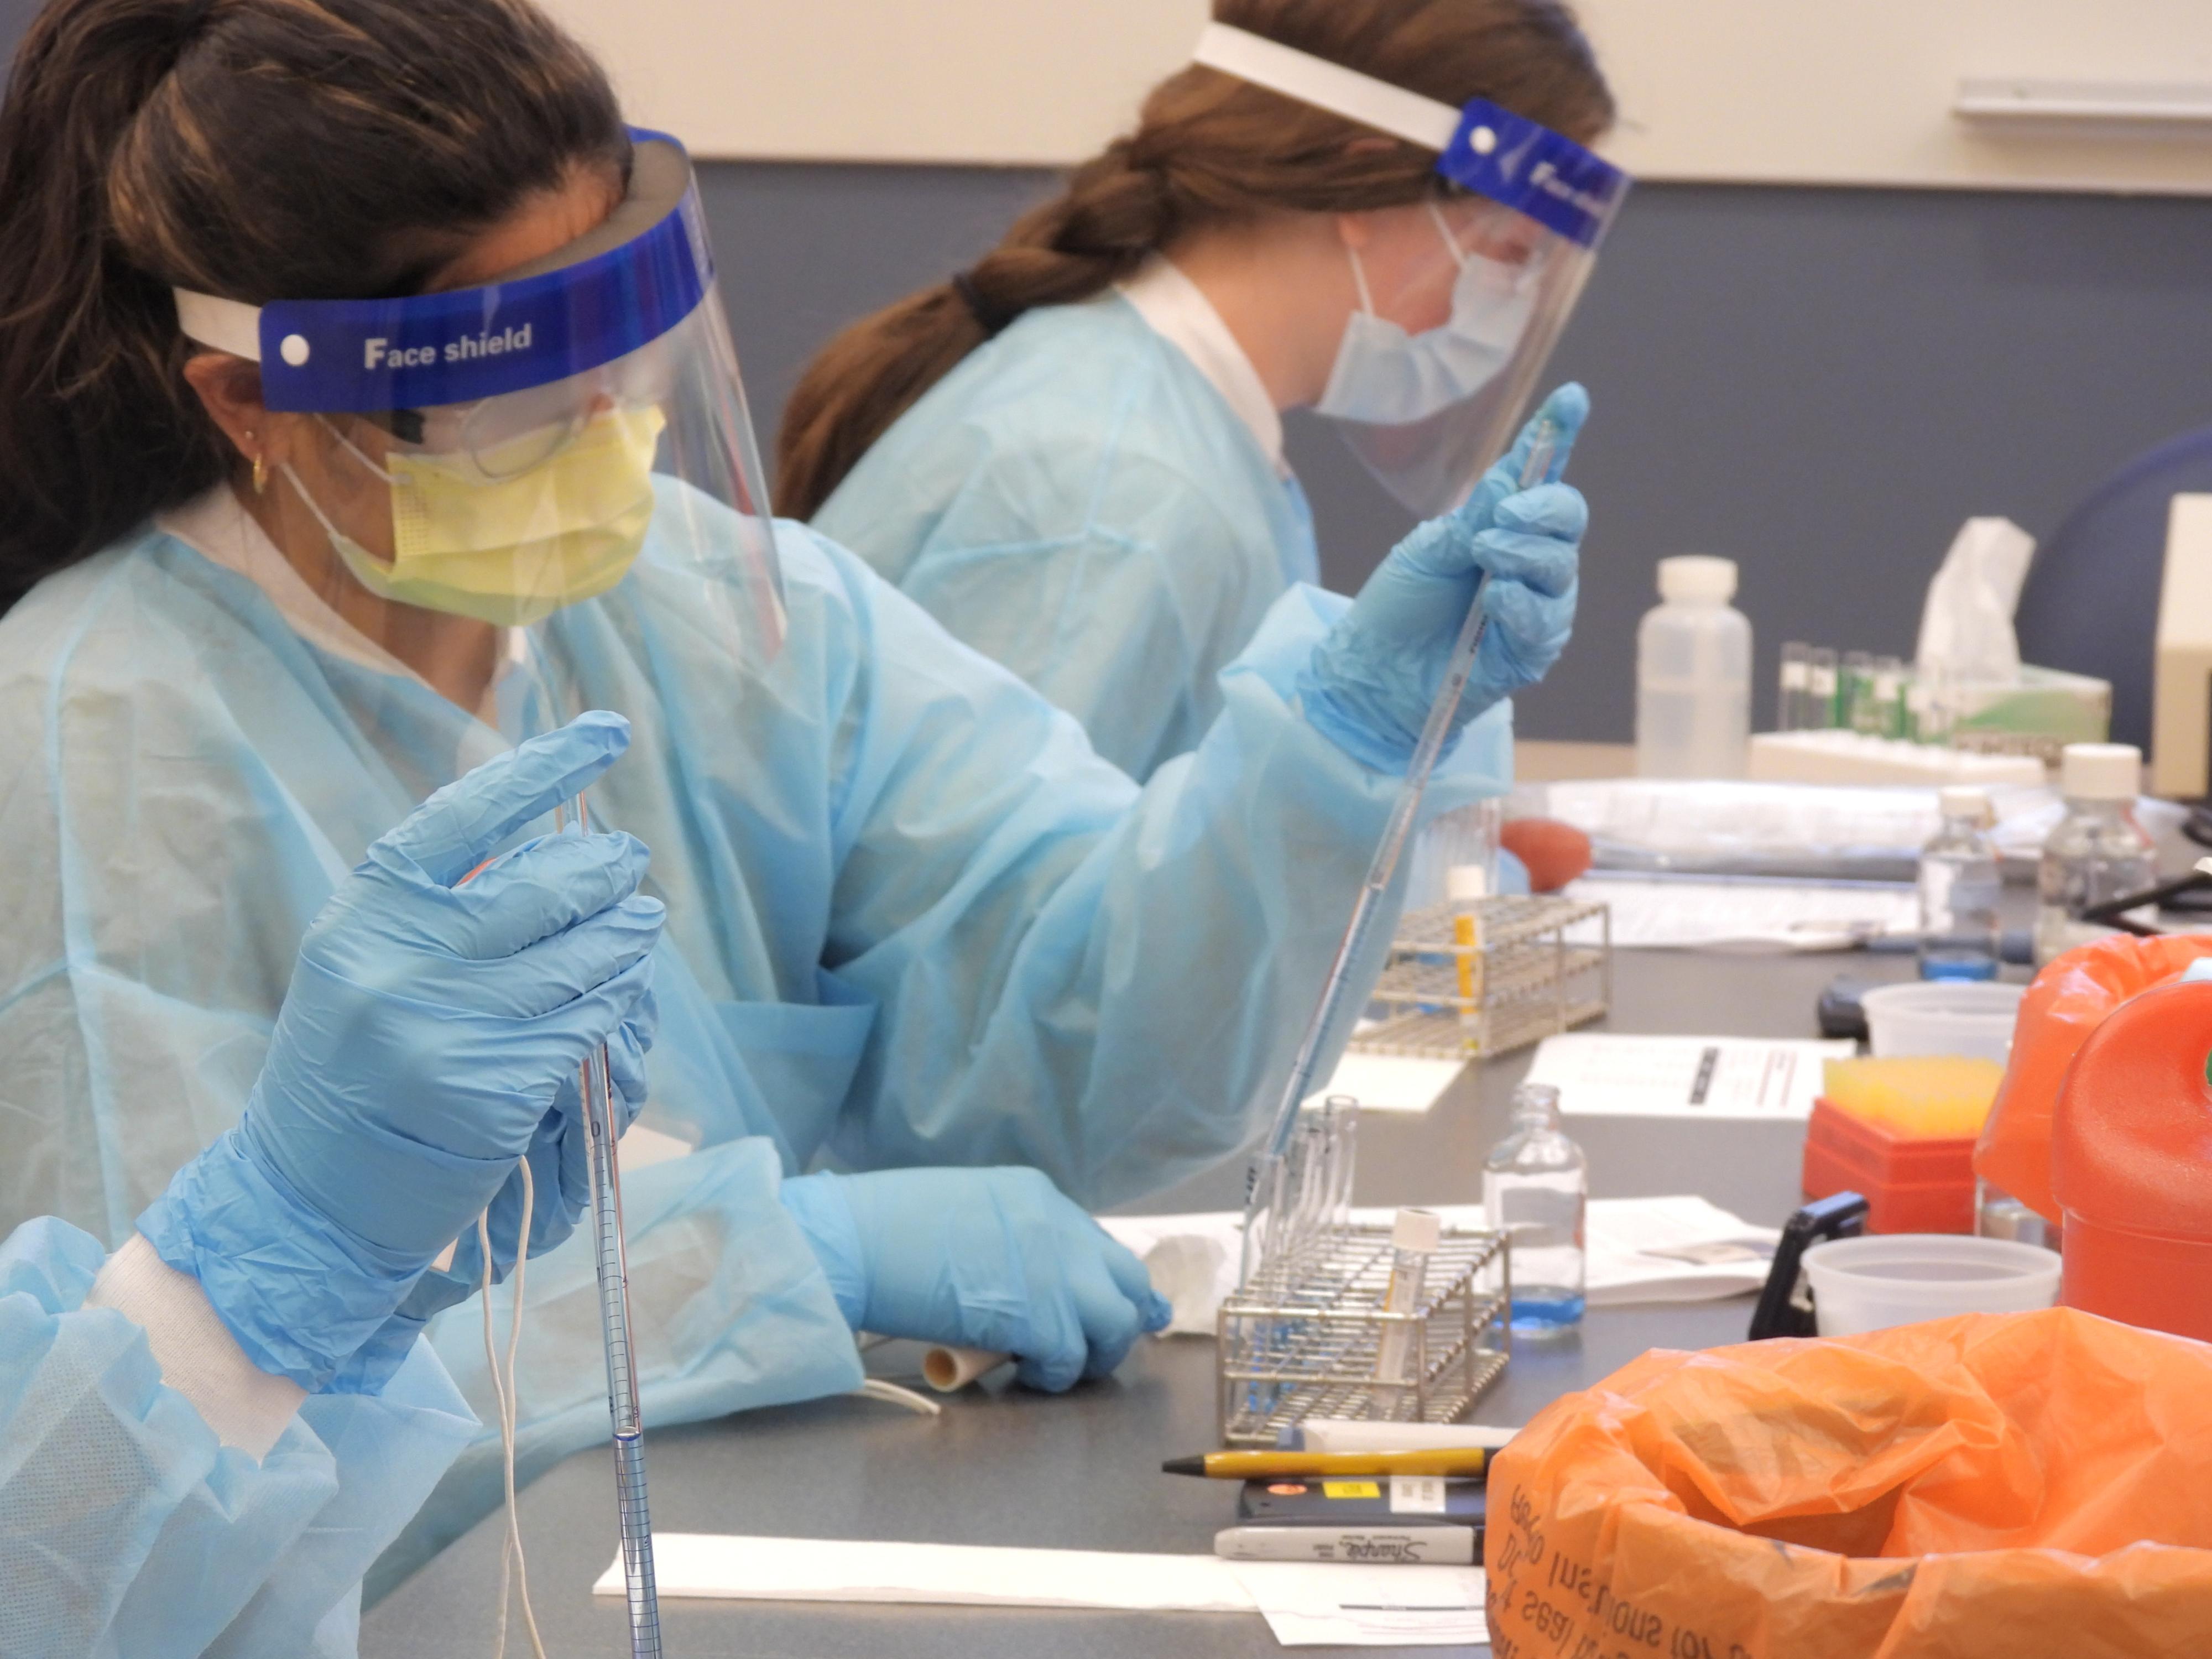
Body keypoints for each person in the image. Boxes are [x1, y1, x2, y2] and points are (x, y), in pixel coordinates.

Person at [0, 0, 1587, 1631]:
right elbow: (125, 1517)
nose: (607, 430)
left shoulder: (693, 604)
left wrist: (1330, 755)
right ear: (255, 405)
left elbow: (1095, 1026)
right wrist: (764, 1263)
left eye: (617, 350)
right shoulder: (96, 743)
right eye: (510, 395)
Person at [779, 0, 1619, 783]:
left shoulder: (1175, 421)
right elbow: (974, 925)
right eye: (1511, 255)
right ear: (1367, 185)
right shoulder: (1115, 488)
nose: (1509, 306)